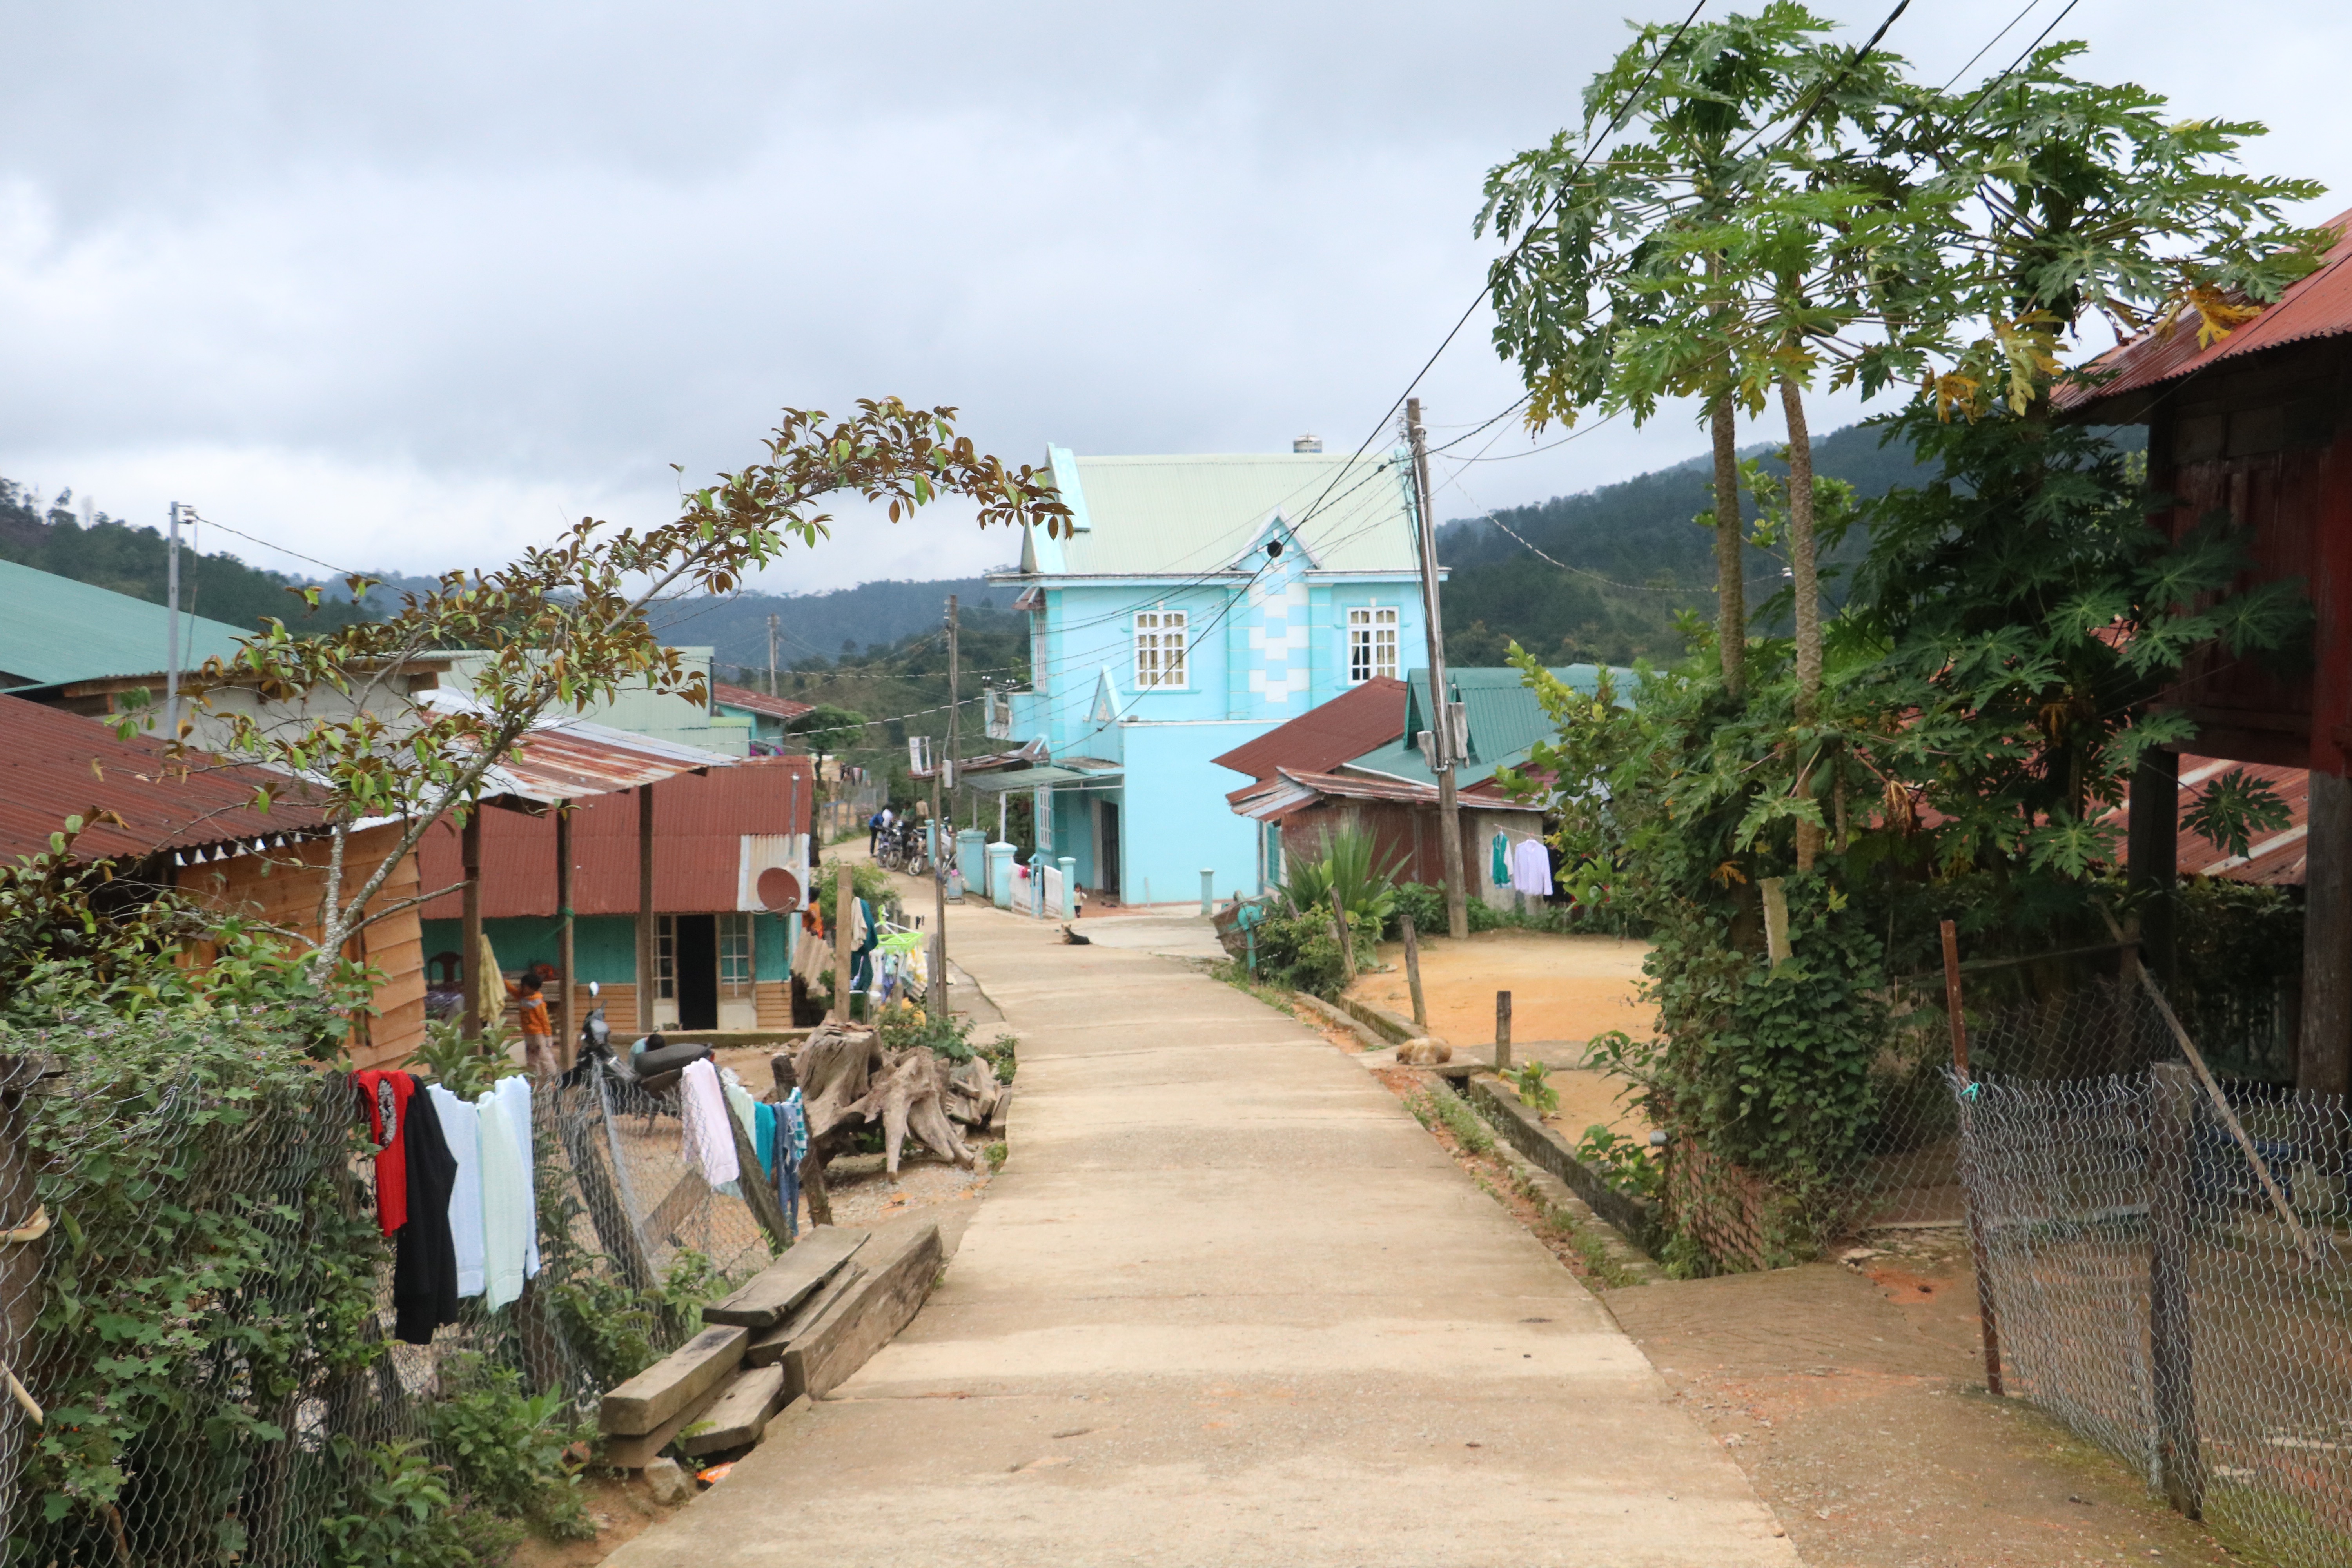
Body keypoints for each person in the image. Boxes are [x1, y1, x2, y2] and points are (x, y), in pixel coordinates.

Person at [510, 971, 555, 1078]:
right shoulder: (522, 997)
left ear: (532, 988)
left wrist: (548, 1036)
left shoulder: (538, 1002)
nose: (521, 988)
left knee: (544, 1055)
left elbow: (545, 1020)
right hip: (528, 1033)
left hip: (538, 1034)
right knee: (531, 1056)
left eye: (524, 987)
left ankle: (555, 1076)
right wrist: (504, 982)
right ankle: (535, 1077)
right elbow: (512, 991)